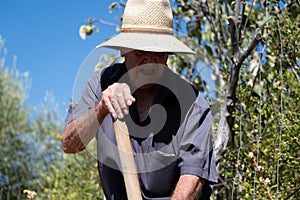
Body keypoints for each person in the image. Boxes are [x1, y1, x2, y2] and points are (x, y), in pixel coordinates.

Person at [61, 0, 218, 199]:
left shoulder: (192, 104)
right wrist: (101, 108)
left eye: (158, 53)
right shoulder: (101, 83)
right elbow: (70, 144)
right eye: (141, 52)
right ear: (123, 50)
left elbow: (192, 179)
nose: (149, 61)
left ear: (168, 54)